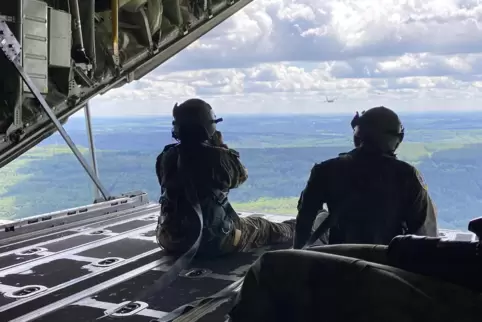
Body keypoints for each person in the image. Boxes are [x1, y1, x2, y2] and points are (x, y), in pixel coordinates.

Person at [155, 98, 295, 258]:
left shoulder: (165, 157)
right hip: (214, 241)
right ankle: (299, 228)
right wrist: (220, 147)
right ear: (208, 126)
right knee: (264, 227)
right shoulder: (217, 157)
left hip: (171, 240)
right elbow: (240, 177)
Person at [294, 106, 438, 249]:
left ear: (358, 136)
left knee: (321, 219)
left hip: (338, 262)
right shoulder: (408, 175)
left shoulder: (325, 170)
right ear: (396, 140)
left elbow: (303, 225)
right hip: (385, 266)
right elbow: (424, 236)